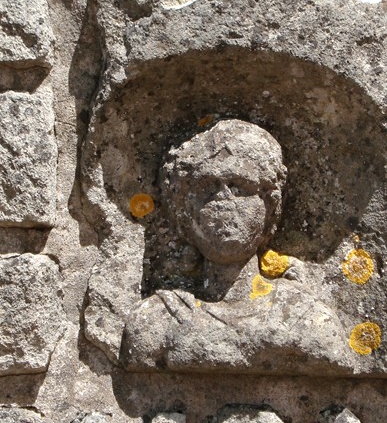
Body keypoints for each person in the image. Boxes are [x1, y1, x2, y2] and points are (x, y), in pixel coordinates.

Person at [121, 120, 352, 374]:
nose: (224, 202)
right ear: (183, 214)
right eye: (206, 188)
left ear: (269, 206)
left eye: (240, 187)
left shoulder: (304, 318)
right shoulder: (156, 321)